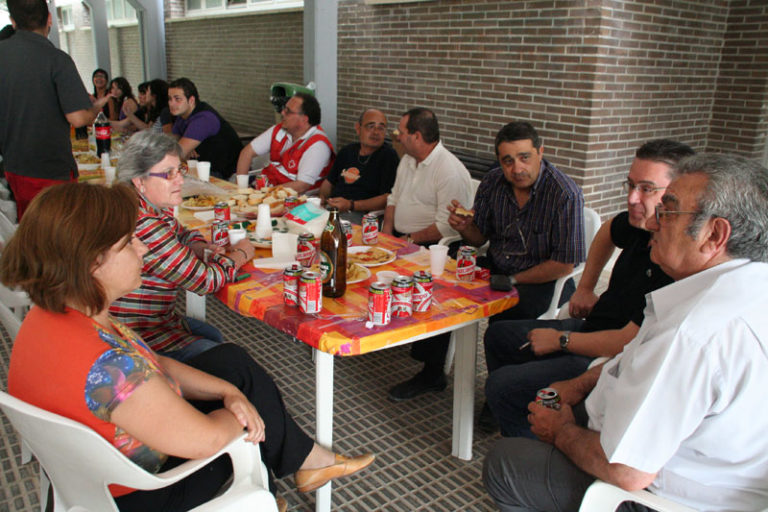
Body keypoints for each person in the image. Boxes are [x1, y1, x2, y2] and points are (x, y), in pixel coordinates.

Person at [0, 182, 375, 512]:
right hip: (142, 490)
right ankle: (280, 481)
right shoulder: (106, 365)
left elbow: (151, 361)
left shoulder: (56, 315)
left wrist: (228, 390)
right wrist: (245, 412)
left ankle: (302, 463)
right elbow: (207, 439)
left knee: (231, 363)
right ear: (92, 262)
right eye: (128, 243)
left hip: (87, 470)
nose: (142, 249)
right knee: (251, 424)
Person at [483, 153, 768, 512]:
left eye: (667, 212)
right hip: (638, 428)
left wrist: (562, 431)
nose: (652, 223)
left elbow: (627, 472)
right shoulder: (742, 286)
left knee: (507, 462)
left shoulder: (695, 333)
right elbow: (634, 353)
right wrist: (579, 385)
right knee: (515, 365)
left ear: (714, 234)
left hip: (657, 494)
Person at [483, 139, 694, 436]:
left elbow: (626, 343)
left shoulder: (674, 263)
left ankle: (535, 444)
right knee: (498, 335)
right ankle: (515, 413)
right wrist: (585, 287)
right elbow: (607, 229)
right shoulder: (638, 224)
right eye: (630, 185)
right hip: (591, 328)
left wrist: (561, 339)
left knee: (502, 384)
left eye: (647, 188)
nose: (632, 198)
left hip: (606, 358)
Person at [387, 120, 585, 401]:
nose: (516, 168)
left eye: (524, 157)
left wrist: (513, 280)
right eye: (507, 161)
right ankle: (431, 372)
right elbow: (479, 238)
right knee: (440, 285)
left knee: (506, 319)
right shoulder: (493, 182)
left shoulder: (565, 194)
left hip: (543, 279)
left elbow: (564, 265)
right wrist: (462, 226)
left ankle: (503, 391)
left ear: (540, 152)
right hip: (498, 266)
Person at [107, 131, 253, 361]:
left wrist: (197, 246)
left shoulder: (139, 205)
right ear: (139, 181)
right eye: (168, 173)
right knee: (225, 355)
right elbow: (205, 281)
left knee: (211, 333)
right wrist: (241, 253)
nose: (180, 180)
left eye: (179, 170)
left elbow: (181, 231)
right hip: (136, 334)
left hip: (146, 320)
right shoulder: (144, 224)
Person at [381, 107, 473, 401]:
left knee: (432, 284)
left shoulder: (449, 170)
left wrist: (407, 241)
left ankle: (432, 372)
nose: (397, 136)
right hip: (404, 240)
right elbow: (394, 197)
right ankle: (385, 331)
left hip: (438, 245)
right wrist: (386, 236)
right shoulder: (408, 160)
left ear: (417, 137)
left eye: (401, 132)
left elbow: (448, 224)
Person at [0, 0, 112, 219]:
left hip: (13, 166)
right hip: (50, 168)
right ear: (50, 18)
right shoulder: (57, 59)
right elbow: (79, 118)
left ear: (13, 22)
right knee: (58, 234)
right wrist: (92, 110)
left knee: (31, 230)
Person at [236, 92, 334, 194]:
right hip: (268, 190)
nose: (282, 112)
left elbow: (301, 186)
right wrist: (242, 190)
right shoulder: (279, 130)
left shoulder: (318, 145)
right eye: (284, 108)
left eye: (288, 111)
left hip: (295, 201)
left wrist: (265, 194)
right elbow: (246, 153)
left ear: (304, 119)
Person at [318, 108, 399, 223]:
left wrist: (351, 205)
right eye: (370, 126)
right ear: (358, 128)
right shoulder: (347, 151)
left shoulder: (388, 156)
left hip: (362, 214)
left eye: (381, 128)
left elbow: (388, 198)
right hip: (333, 208)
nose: (376, 132)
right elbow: (328, 183)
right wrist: (322, 199)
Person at [168, 77, 242, 180]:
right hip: (201, 168)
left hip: (225, 174)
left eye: (177, 99)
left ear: (191, 100)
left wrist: (184, 148)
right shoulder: (182, 116)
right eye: (170, 99)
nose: (172, 103)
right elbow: (171, 143)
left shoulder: (204, 119)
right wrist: (184, 147)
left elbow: (176, 154)